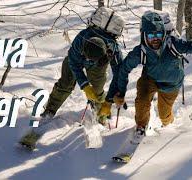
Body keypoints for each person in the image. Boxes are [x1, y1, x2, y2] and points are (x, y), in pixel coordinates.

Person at [99, 11, 192, 142]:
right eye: (151, 35)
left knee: (164, 115)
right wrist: (121, 92)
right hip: (150, 79)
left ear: (163, 33)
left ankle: (168, 126)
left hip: (171, 83)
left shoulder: (173, 44)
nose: (155, 38)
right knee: (142, 99)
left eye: (159, 34)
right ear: (144, 35)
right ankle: (141, 126)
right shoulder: (140, 51)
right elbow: (123, 70)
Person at [19, 11, 125, 149]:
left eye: (90, 59)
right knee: (64, 85)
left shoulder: (114, 50)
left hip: (98, 67)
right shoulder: (81, 39)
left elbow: (120, 75)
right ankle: (49, 111)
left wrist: (109, 101)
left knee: (98, 91)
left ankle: (101, 114)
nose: (87, 61)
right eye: (87, 57)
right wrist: (85, 86)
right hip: (73, 61)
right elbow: (74, 64)